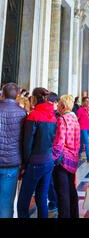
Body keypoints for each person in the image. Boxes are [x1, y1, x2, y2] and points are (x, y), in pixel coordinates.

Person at [17, 88, 57, 218]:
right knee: (42, 198)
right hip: (48, 160)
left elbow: (27, 143)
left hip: (35, 162)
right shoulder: (53, 116)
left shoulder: (34, 115)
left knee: (23, 202)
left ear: (34, 98)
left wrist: (25, 163)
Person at [0, 83, 27, 218]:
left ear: (2, 94)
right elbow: (24, 140)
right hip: (12, 161)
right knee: (6, 204)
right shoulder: (22, 113)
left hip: (10, 161)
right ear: (17, 96)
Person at [52, 95, 80, 218]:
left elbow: (59, 142)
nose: (57, 106)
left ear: (63, 106)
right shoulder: (75, 119)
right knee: (71, 190)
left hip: (63, 160)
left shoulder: (62, 119)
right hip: (73, 158)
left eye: (58, 104)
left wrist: (53, 157)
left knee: (62, 193)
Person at [77, 97, 89, 162]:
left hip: (88, 127)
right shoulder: (80, 110)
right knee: (87, 142)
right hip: (82, 128)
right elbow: (77, 119)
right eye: (86, 101)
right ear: (83, 102)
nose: (87, 103)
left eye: (88, 101)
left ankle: (78, 154)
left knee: (82, 142)